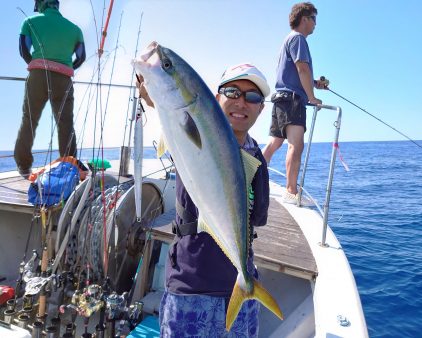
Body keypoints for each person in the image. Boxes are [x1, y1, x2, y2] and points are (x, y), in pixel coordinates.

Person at [137, 63, 270, 337]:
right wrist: (155, 93)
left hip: (239, 285)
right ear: (216, 96)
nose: (241, 102)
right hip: (190, 287)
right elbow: (176, 121)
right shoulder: (191, 133)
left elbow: (257, 217)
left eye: (252, 97)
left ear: (261, 108)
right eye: (232, 91)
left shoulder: (255, 159)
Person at [262, 2, 328, 204]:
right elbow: (302, 69)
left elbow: (295, 74)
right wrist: (312, 97)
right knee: (296, 144)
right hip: (293, 101)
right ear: (305, 19)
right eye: (314, 19)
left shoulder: (288, 40)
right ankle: (291, 191)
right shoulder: (299, 39)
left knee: (274, 143)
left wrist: (316, 85)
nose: (316, 24)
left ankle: (252, 178)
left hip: (281, 99)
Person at [14, 0, 86, 178]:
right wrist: (65, 68)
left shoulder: (30, 22)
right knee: (65, 124)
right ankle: (68, 167)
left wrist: (38, 65)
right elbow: (81, 57)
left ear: (41, 5)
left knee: (29, 119)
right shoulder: (75, 29)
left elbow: (23, 50)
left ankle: (24, 167)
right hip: (64, 79)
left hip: (38, 76)